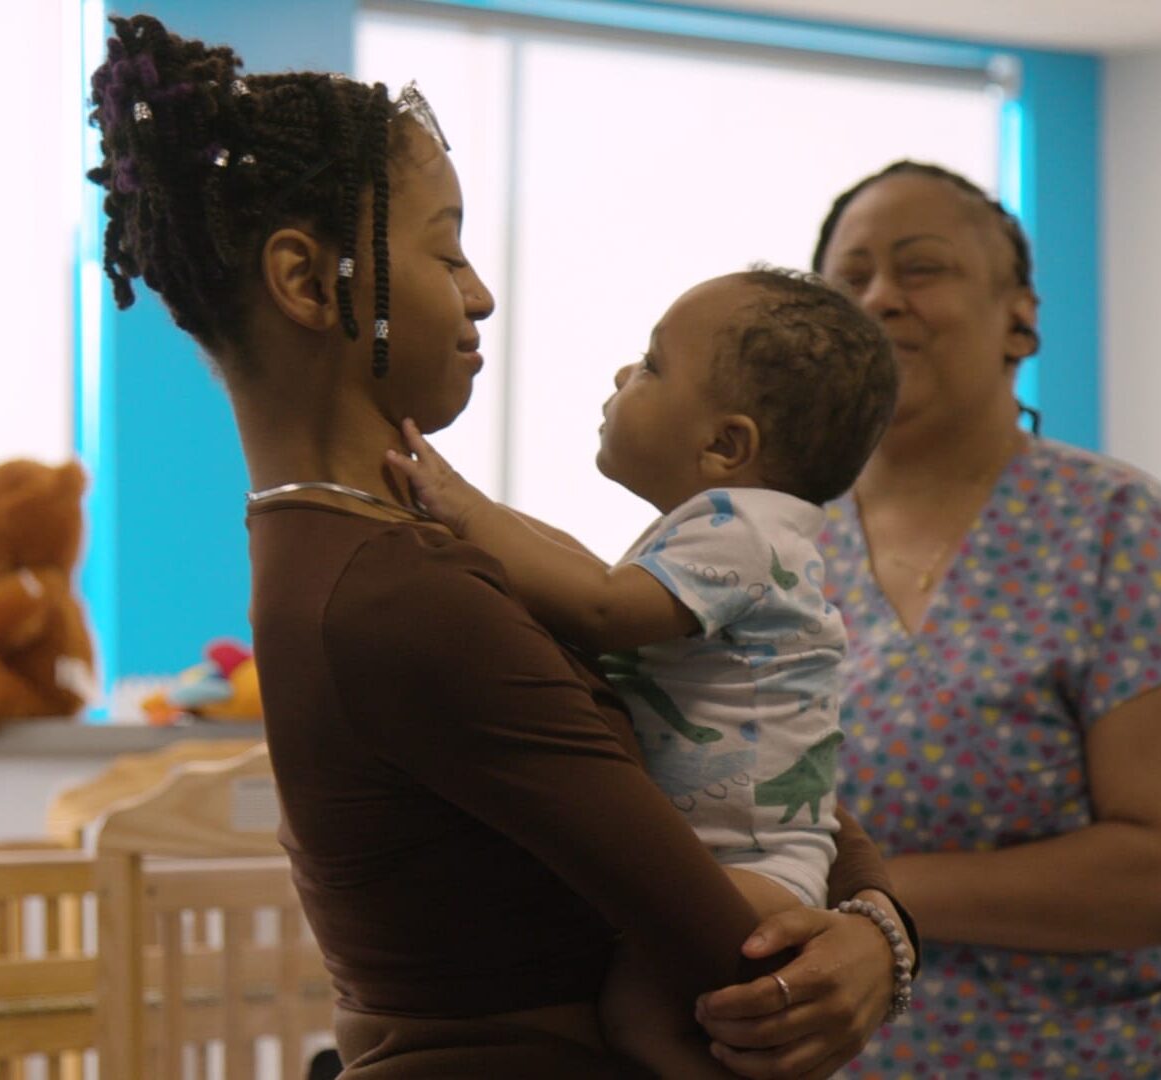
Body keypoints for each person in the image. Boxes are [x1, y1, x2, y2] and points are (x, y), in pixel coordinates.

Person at [87, 14, 916, 1077]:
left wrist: (880, 923)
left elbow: (753, 750)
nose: (479, 291)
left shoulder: (397, 551)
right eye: (445, 251)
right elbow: (737, 962)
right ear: (308, 282)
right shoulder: (401, 602)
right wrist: (881, 939)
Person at [386, 267, 897, 926]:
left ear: (724, 444)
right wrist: (471, 516)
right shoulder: (734, 532)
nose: (623, 373)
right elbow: (584, 568)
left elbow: (599, 607)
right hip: (732, 860)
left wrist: (465, 508)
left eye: (652, 365)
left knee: (625, 971)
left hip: (757, 870)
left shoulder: (745, 532)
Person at [811, 159, 1161, 1077]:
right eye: (851, 279)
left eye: (921, 268)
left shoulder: (1117, 528)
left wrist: (877, 903)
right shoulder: (767, 541)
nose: (881, 298)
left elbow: (1158, 865)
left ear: (1020, 317)